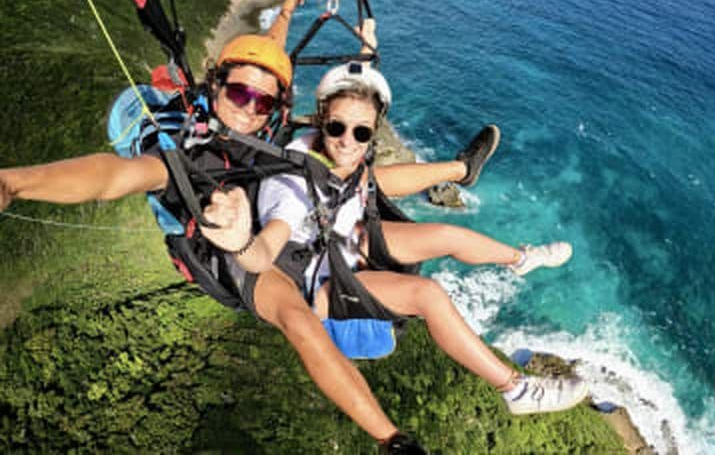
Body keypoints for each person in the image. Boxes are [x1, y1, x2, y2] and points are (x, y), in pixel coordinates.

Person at [0, 0, 576, 450]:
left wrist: (291, 10)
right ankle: (396, 439)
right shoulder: (188, 158)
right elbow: (113, 176)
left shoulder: (276, 128)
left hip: (316, 234)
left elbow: (271, 56)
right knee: (304, 320)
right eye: (238, 95)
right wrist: (17, 183)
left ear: (277, 105)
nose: (247, 109)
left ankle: (469, 189)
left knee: (385, 197)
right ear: (215, 88)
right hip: (252, 258)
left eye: (262, 101)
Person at [199, 62, 589, 452]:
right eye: (337, 128)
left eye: (361, 132)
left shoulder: (330, 152)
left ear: (373, 132)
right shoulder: (292, 190)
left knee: (443, 233)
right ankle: (516, 390)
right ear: (321, 121)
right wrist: (241, 244)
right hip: (314, 280)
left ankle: (520, 258)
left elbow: (360, 151)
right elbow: (267, 248)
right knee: (427, 294)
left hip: (337, 238)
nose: (347, 140)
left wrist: (365, 52)